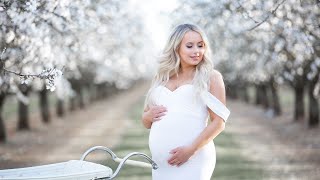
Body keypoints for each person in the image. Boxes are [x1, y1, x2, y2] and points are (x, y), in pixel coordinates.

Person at [141, 23, 230, 180]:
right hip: (161, 164)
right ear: (176, 48)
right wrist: (148, 116)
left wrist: (191, 150)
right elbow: (146, 121)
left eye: (200, 46)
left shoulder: (211, 77)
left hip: (194, 158)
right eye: (190, 46)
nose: (197, 51)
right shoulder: (161, 77)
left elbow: (219, 123)